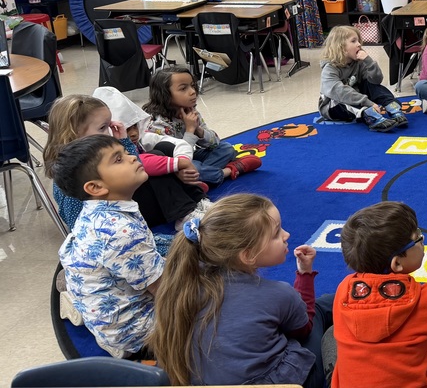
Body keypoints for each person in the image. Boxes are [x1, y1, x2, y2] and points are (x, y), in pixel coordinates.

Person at [151, 194, 334, 388]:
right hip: (277, 382)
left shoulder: (182, 285)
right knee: (321, 311)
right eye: (276, 233)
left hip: (200, 381)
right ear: (247, 255)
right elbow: (303, 329)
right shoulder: (277, 293)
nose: (286, 235)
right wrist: (304, 274)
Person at [332, 201, 427, 388]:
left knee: (330, 335)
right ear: (397, 263)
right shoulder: (426, 298)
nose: (423, 241)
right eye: (418, 239)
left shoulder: (344, 291)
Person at [53, 134, 164, 359]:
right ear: (95, 187)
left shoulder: (96, 209)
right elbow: (165, 290)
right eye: (118, 159)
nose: (132, 157)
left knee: (170, 246)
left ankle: (81, 306)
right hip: (139, 332)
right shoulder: (122, 232)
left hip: (106, 307)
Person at [43, 94, 209, 236]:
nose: (109, 132)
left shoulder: (95, 152)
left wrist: (124, 141)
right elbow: (78, 224)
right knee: (153, 165)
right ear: (73, 136)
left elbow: (134, 164)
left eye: (109, 125)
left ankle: (195, 203)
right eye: (102, 127)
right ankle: (186, 212)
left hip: (125, 207)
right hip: (116, 222)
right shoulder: (73, 174)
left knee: (157, 156)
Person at [144, 66, 261, 187]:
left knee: (226, 149)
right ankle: (228, 171)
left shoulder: (189, 110)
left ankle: (199, 180)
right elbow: (180, 159)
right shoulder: (157, 123)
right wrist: (189, 130)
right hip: (174, 164)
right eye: (183, 88)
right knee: (194, 167)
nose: (192, 91)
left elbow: (215, 143)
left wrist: (198, 130)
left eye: (192, 85)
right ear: (164, 94)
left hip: (190, 158)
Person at [318, 25, 407, 132]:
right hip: (333, 106)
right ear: (341, 47)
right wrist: (367, 103)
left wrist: (368, 61)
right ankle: (371, 116)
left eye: (359, 41)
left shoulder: (358, 63)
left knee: (371, 85)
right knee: (342, 102)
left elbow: (376, 80)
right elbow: (341, 92)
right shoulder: (330, 69)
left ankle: (393, 108)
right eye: (354, 41)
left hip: (356, 98)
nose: (359, 44)